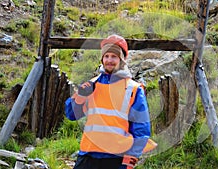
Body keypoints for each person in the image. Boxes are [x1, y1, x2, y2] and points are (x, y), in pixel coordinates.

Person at [64, 34, 157, 169]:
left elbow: (141, 130)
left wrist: (130, 161)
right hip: (88, 154)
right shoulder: (91, 85)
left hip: (117, 158)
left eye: (114, 56)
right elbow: (71, 115)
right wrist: (80, 96)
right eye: (106, 56)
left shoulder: (134, 89)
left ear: (122, 59)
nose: (109, 60)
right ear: (102, 59)